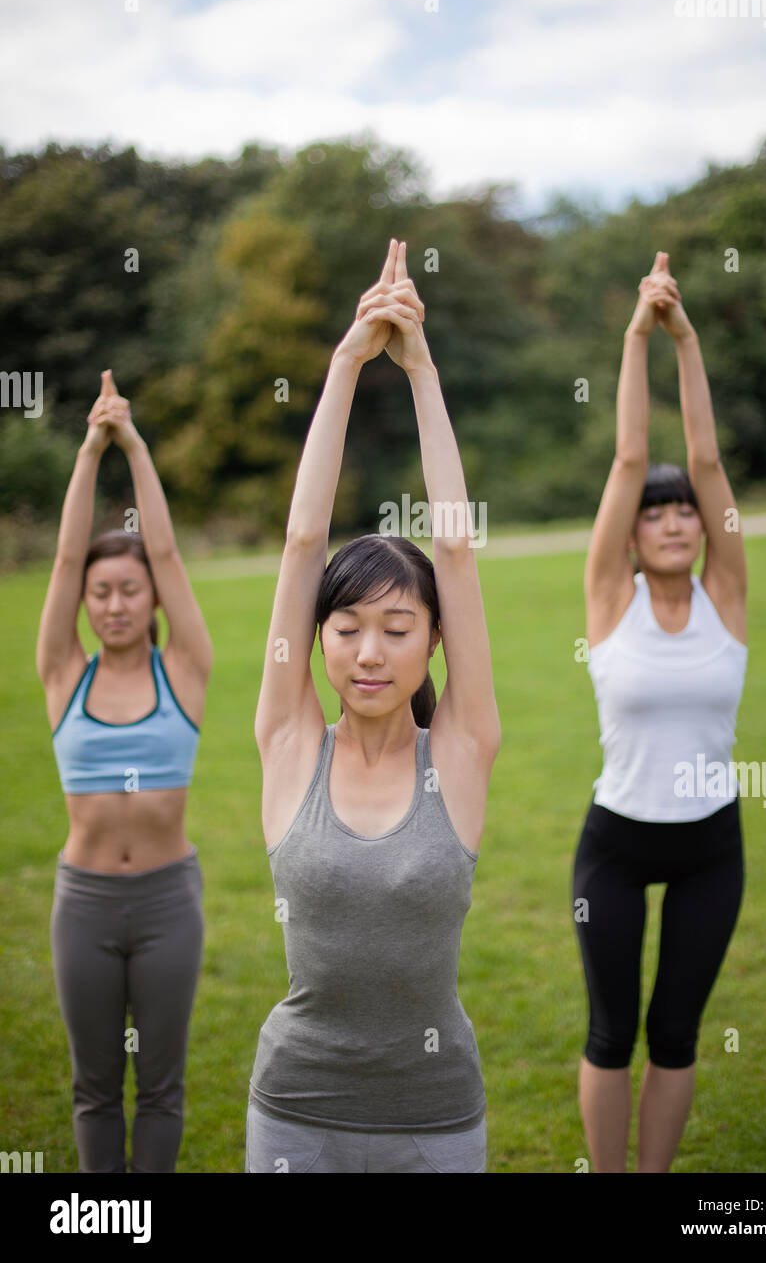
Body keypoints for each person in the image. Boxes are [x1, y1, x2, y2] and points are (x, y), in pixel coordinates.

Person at [247, 238, 500, 1174]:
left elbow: (457, 548)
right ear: (317, 637)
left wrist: (422, 370)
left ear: (434, 640)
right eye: (346, 626)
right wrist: (347, 363)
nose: (367, 651)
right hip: (294, 1114)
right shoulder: (288, 744)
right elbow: (303, 538)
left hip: (435, 1120)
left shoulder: (463, 751)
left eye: (397, 628)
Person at [573, 252, 748, 1172]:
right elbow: (630, 457)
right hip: (616, 842)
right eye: (657, 514)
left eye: (686, 513)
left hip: (710, 846)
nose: (677, 520)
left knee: (675, 1033)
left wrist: (687, 336)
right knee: (612, 1033)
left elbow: (706, 458)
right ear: (633, 536)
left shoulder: (728, 598)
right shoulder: (612, 600)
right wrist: (638, 334)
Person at [37, 370, 213, 1172]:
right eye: (100, 593)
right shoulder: (62, 672)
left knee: (163, 1088)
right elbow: (68, 551)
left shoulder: (183, 670)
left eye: (129, 591)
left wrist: (134, 444)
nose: (113, 604)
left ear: (151, 600)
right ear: (85, 601)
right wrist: (87, 452)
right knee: (95, 1086)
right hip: (87, 903)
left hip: (167, 900)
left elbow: (168, 549)